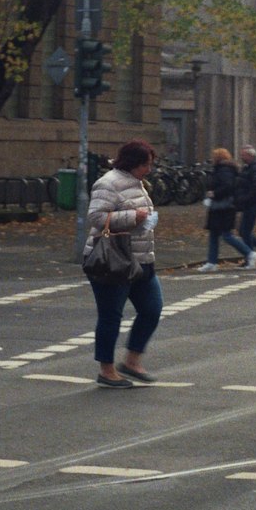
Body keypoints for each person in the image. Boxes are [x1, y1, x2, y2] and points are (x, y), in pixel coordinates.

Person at [83, 139, 163, 388]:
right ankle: (106, 370)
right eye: (145, 165)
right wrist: (132, 216)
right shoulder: (107, 183)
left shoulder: (137, 182)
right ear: (132, 163)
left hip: (141, 259)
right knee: (111, 316)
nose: (148, 169)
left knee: (152, 309)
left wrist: (146, 218)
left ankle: (131, 361)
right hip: (113, 261)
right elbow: (96, 217)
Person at [199, 147, 256, 272]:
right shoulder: (226, 169)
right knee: (214, 234)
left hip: (223, 206)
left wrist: (214, 193)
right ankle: (212, 261)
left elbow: (227, 186)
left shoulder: (224, 170)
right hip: (221, 206)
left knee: (226, 235)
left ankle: (249, 253)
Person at [235, 144, 256, 260]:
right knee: (243, 230)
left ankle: (250, 256)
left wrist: (245, 198)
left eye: (243, 155)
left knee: (245, 230)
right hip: (251, 203)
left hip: (254, 203)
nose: (241, 157)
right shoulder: (250, 167)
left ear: (250, 155)